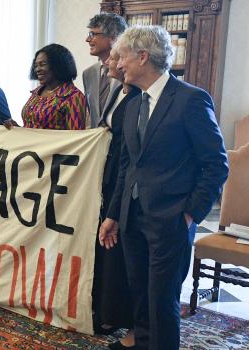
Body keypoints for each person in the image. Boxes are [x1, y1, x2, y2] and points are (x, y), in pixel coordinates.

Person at [99, 26, 228, 350]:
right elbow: (128, 167)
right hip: (132, 219)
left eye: (123, 56)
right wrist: (114, 214)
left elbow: (216, 165)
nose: (118, 64)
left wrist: (190, 215)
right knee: (139, 294)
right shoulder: (129, 106)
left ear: (143, 57)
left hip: (170, 220)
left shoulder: (191, 100)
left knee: (161, 301)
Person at [93, 47, 140, 350]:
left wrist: (192, 213)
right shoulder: (119, 92)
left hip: (133, 188)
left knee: (126, 257)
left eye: (116, 58)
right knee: (110, 251)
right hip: (112, 177)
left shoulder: (139, 99)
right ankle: (110, 313)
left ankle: (133, 327)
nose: (111, 62)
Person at [18, 44, 87, 130]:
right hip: (28, 143)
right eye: (36, 66)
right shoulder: (37, 91)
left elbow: (76, 137)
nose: (37, 69)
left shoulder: (73, 96)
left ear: (58, 66)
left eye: (42, 64)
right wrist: (16, 128)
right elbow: (31, 126)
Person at [82, 13, 127, 128]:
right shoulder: (88, 74)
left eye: (93, 34)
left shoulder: (128, 71)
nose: (87, 40)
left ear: (114, 37)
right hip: (96, 142)